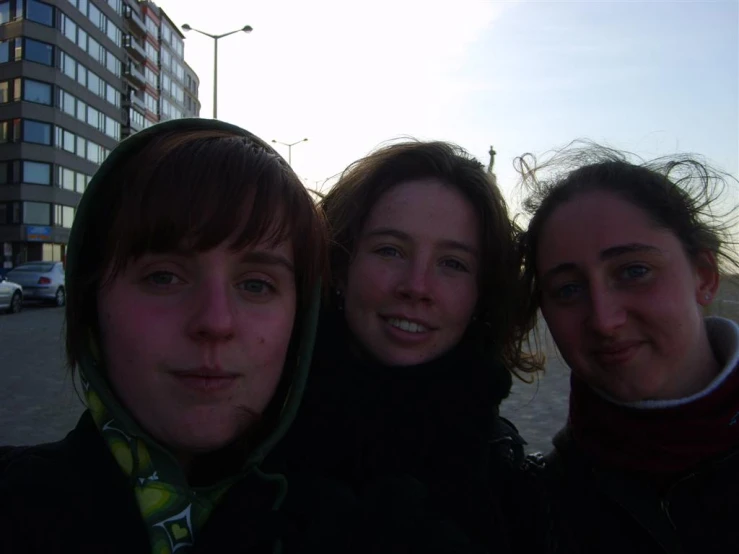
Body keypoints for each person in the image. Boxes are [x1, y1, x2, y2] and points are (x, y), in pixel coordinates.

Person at [0, 119, 329, 553]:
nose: (215, 322)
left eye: (255, 285)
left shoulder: (345, 526)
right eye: (163, 277)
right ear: (91, 302)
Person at [272, 140, 543, 552]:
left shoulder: (510, 476)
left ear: (480, 293)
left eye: (452, 263)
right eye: (390, 250)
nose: (417, 287)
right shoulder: (248, 438)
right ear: (341, 265)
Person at [514, 143, 739, 553]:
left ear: (704, 276)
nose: (604, 319)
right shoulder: (530, 510)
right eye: (568, 289)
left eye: (634, 271)